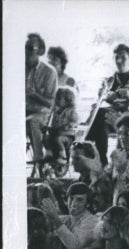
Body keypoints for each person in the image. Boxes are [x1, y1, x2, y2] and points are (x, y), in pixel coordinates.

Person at [26, 34, 58, 165]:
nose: (25, 52)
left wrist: (34, 95)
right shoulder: (16, 69)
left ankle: (39, 159)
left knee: (32, 120)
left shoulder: (49, 72)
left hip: (42, 114)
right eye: (23, 47)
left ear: (40, 51)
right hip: (22, 111)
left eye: (29, 48)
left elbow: (52, 103)